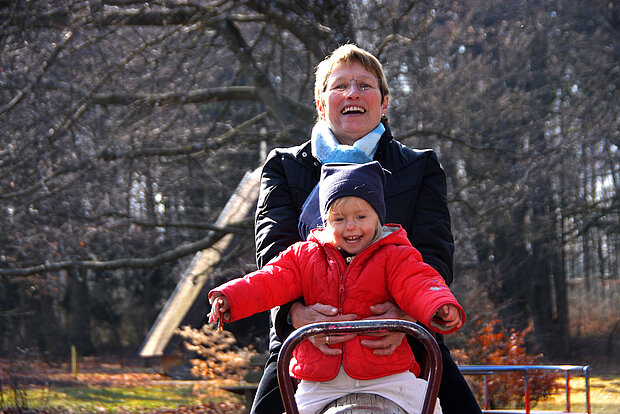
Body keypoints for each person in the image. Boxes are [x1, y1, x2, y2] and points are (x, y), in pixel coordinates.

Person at [252, 44, 482, 413]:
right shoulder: (283, 166)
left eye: (364, 85)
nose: (353, 93)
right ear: (321, 104)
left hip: (397, 329)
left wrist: (407, 318)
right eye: (340, 86)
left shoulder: (419, 166)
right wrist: (295, 314)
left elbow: (434, 251)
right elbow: (273, 251)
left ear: (384, 103)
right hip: (310, 336)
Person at [209, 161, 465, 414]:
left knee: (429, 405)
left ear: (378, 217)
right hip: (321, 380)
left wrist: (439, 305)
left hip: (387, 374)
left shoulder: (395, 255)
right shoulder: (305, 256)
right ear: (325, 221)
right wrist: (230, 297)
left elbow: (419, 283)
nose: (350, 226)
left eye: (361, 216)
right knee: (291, 408)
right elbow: (269, 279)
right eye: (339, 218)